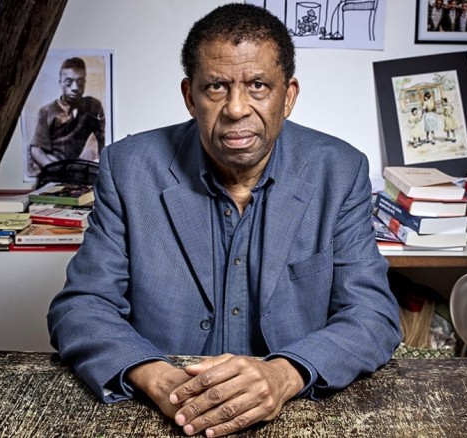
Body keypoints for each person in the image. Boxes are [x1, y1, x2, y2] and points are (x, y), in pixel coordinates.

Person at [46, 3, 401, 437]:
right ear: (189, 96)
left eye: (258, 86)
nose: (236, 108)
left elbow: (372, 314)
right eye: (216, 86)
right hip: (161, 413)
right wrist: (157, 378)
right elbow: (82, 306)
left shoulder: (339, 171)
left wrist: (284, 375)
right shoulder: (129, 169)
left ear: (288, 96)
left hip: (295, 413)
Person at [28, 57, 106, 176]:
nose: (75, 88)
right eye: (69, 82)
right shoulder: (47, 111)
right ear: (60, 82)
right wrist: (55, 170)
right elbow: (36, 150)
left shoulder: (93, 106)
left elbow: (102, 141)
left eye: (80, 83)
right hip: (56, 169)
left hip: (83, 171)